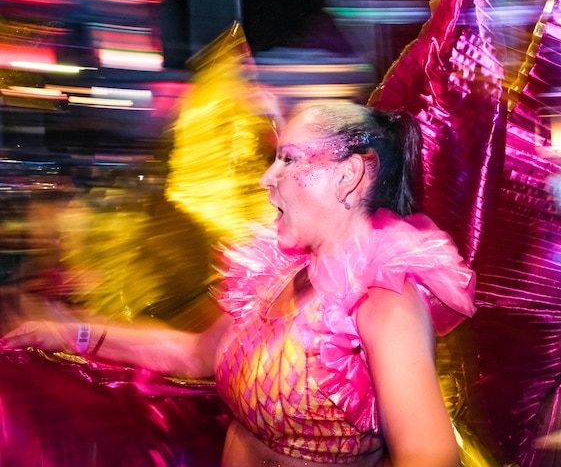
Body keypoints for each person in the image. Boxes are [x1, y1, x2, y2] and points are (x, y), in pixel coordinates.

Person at [1, 101, 477, 467]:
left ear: (349, 175)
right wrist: (70, 332)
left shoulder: (383, 302)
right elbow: (195, 355)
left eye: (290, 160)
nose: (268, 178)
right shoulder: (273, 274)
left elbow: (430, 456)